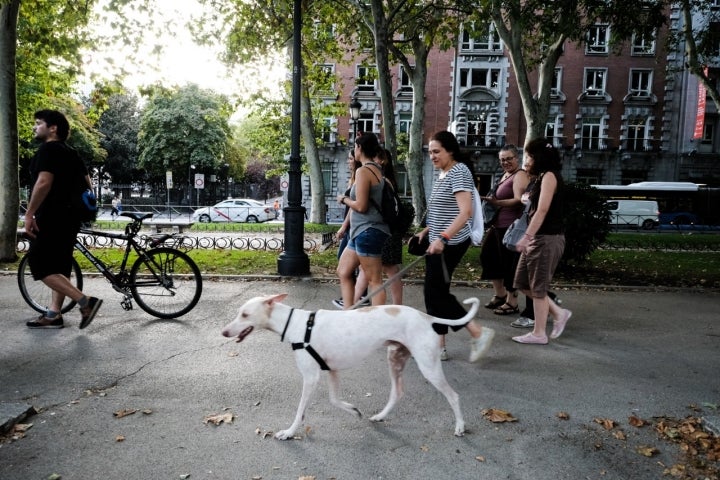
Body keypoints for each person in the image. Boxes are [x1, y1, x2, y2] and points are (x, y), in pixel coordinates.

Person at [412, 131, 494, 362]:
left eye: (437, 151)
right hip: (438, 241)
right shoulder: (444, 173)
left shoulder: (459, 172)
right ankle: (440, 346)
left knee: (436, 293)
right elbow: (442, 211)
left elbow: (465, 212)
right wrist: (427, 231)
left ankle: (477, 332)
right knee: (434, 294)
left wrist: (443, 238)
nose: (432, 156)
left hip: (451, 242)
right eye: (430, 152)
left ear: (451, 150)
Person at [24, 109, 103, 329]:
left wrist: (29, 214)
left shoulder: (48, 150)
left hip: (51, 216)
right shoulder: (72, 152)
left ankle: (86, 302)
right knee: (59, 265)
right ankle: (53, 314)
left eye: (38, 123)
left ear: (53, 128)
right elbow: (88, 184)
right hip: (71, 218)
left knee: (39, 265)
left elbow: (43, 183)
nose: (34, 127)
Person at [511, 138, 572, 344]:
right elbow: (533, 203)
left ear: (539, 157)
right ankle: (558, 312)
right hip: (538, 238)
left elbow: (543, 209)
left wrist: (526, 237)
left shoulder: (550, 176)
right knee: (521, 283)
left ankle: (539, 333)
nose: (526, 159)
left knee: (537, 288)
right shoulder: (540, 177)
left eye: (528, 155)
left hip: (546, 238)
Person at [336, 133, 390, 308]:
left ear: (359, 148)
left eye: (355, 147)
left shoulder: (363, 171)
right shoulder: (377, 169)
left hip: (368, 231)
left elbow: (361, 206)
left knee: (375, 280)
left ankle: (378, 323)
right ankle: (349, 315)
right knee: (343, 271)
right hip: (360, 231)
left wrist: (344, 199)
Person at [479, 145, 529, 315]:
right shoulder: (505, 175)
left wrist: (496, 202)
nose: (505, 162)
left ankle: (512, 301)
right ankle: (500, 294)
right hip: (497, 225)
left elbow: (518, 200)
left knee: (509, 263)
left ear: (517, 158)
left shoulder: (520, 175)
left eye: (509, 158)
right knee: (488, 256)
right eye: (502, 160)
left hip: (511, 227)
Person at [353, 148, 404, 305]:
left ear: (381, 160)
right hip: (389, 229)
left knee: (388, 270)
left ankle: (396, 306)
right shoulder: (385, 178)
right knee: (368, 270)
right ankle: (352, 302)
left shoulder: (380, 179)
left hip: (383, 229)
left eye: (373, 157)